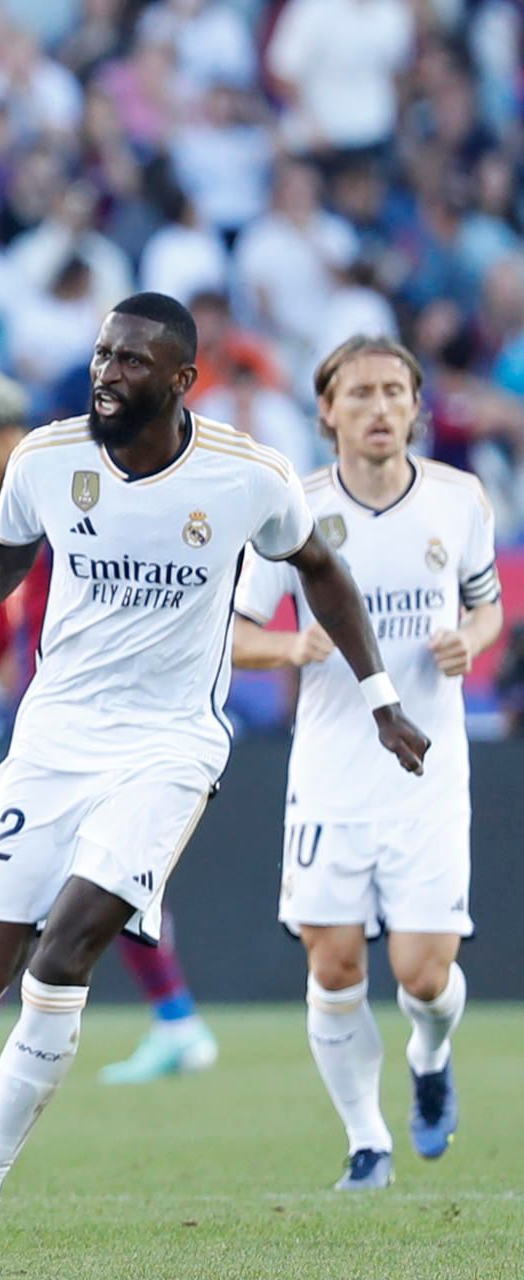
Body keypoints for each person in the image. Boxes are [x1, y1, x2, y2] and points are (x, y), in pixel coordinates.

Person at [0, 293, 428, 1233]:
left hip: (169, 745)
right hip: (53, 739)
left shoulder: (246, 476)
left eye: (133, 362)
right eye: (103, 355)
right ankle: (96, 1036)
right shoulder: (47, 458)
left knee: (65, 953)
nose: (108, 373)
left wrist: (381, 698)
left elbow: (319, 568)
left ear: (183, 380)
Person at [0, 371, 218, 1086]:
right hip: (57, 714)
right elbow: (13, 611)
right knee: (93, 881)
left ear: (2, 437)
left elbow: (27, 604)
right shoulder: (37, 489)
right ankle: (177, 1023)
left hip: (90, 718)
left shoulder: (67, 486)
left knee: (64, 880)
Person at [231, 337, 503, 1190]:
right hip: (331, 775)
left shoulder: (459, 499)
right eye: (361, 394)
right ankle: (367, 1141)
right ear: (326, 412)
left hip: (429, 773)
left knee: (425, 975)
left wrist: (471, 640)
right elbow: (229, 634)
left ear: (417, 407)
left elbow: (488, 606)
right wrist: (290, 646)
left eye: (395, 391)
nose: (381, 408)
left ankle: (430, 1054)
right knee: (335, 963)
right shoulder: (292, 510)